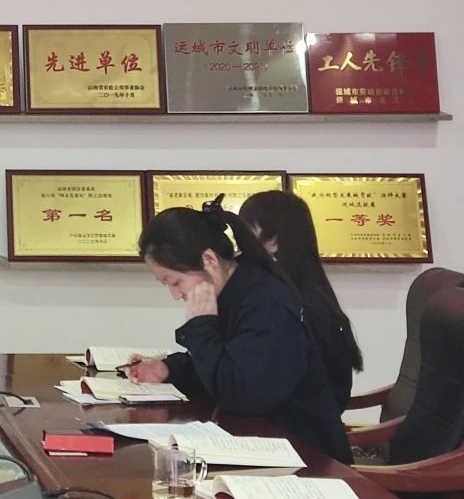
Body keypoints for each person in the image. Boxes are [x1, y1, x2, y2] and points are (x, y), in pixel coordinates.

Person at [128, 197, 352, 463]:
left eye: (175, 282)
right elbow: (224, 363)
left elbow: (242, 394)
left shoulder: (265, 302)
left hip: (305, 455)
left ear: (209, 259)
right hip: (263, 442)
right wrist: (168, 369)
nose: (175, 295)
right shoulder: (236, 289)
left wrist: (201, 328)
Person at [238, 190, 364, 407]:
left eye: (246, 231)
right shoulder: (300, 293)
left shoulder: (296, 304)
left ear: (274, 241)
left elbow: (264, 382)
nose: (239, 243)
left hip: (301, 421)